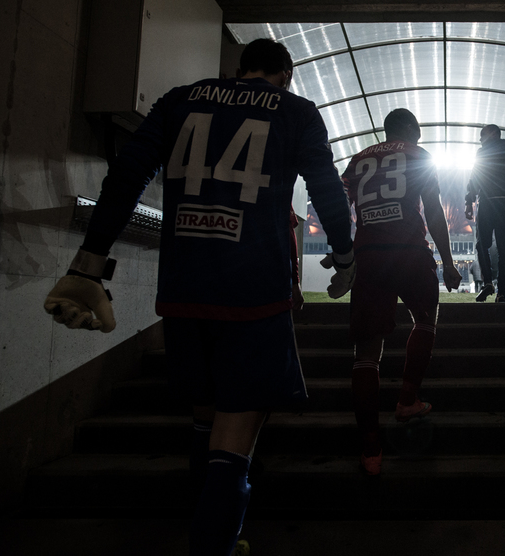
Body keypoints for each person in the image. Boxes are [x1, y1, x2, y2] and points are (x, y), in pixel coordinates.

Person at [42, 38, 355, 556]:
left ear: (239, 69)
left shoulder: (179, 98)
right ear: (286, 75)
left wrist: (88, 262)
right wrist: (345, 257)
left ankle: (208, 531)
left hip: (183, 289)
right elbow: (326, 188)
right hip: (254, 293)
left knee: (205, 419)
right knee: (237, 433)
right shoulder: (295, 110)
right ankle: (215, 545)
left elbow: (127, 174)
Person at [340, 108, 462, 476]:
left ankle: (370, 449)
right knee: (425, 318)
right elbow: (434, 210)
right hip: (409, 249)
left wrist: (343, 254)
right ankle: (407, 399)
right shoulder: (417, 154)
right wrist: (448, 261)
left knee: (366, 353)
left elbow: (339, 207)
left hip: (368, 254)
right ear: (410, 129)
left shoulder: (357, 159)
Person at [465, 124, 505, 302]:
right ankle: (501, 293)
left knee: (481, 245)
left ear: (493, 134)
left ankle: (488, 284)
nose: (480, 139)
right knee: (504, 250)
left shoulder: (482, 154)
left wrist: (469, 202)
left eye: (482, 135)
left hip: (487, 203)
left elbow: (475, 179)